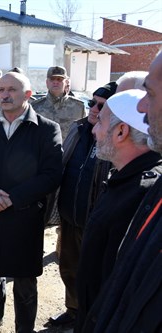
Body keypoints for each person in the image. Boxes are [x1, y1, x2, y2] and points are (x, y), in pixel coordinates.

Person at [0, 72, 63, 333]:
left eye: (12, 89)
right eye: (1, 90)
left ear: (28, 95)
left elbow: (52, 174)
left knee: (24, 280)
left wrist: (13, 199)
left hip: (25, 216)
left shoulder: (46, 129)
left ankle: (24, 327)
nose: (5, 95)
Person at [80, 52, 162, 333]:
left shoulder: (141, 193)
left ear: (120, 133)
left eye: (100, 123)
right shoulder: (124, 180)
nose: (93, 130)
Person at [46, 82, 117, 328]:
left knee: (93, 274)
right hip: (69, 217)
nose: (94, 109)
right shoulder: (78, 130)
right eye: (92, 103)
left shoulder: (114, 139)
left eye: (102, 105)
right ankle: (74, 310)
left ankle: (92, 317)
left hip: (94, 222)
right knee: (68, 267)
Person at [31, 66, 86, 139]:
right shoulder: (35, 107)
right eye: (52, 79)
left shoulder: (79, 108)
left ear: (66, 82)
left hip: (68, 150)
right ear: (47, 83)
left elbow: (85, 133)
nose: (55, 82)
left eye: (59, 79)